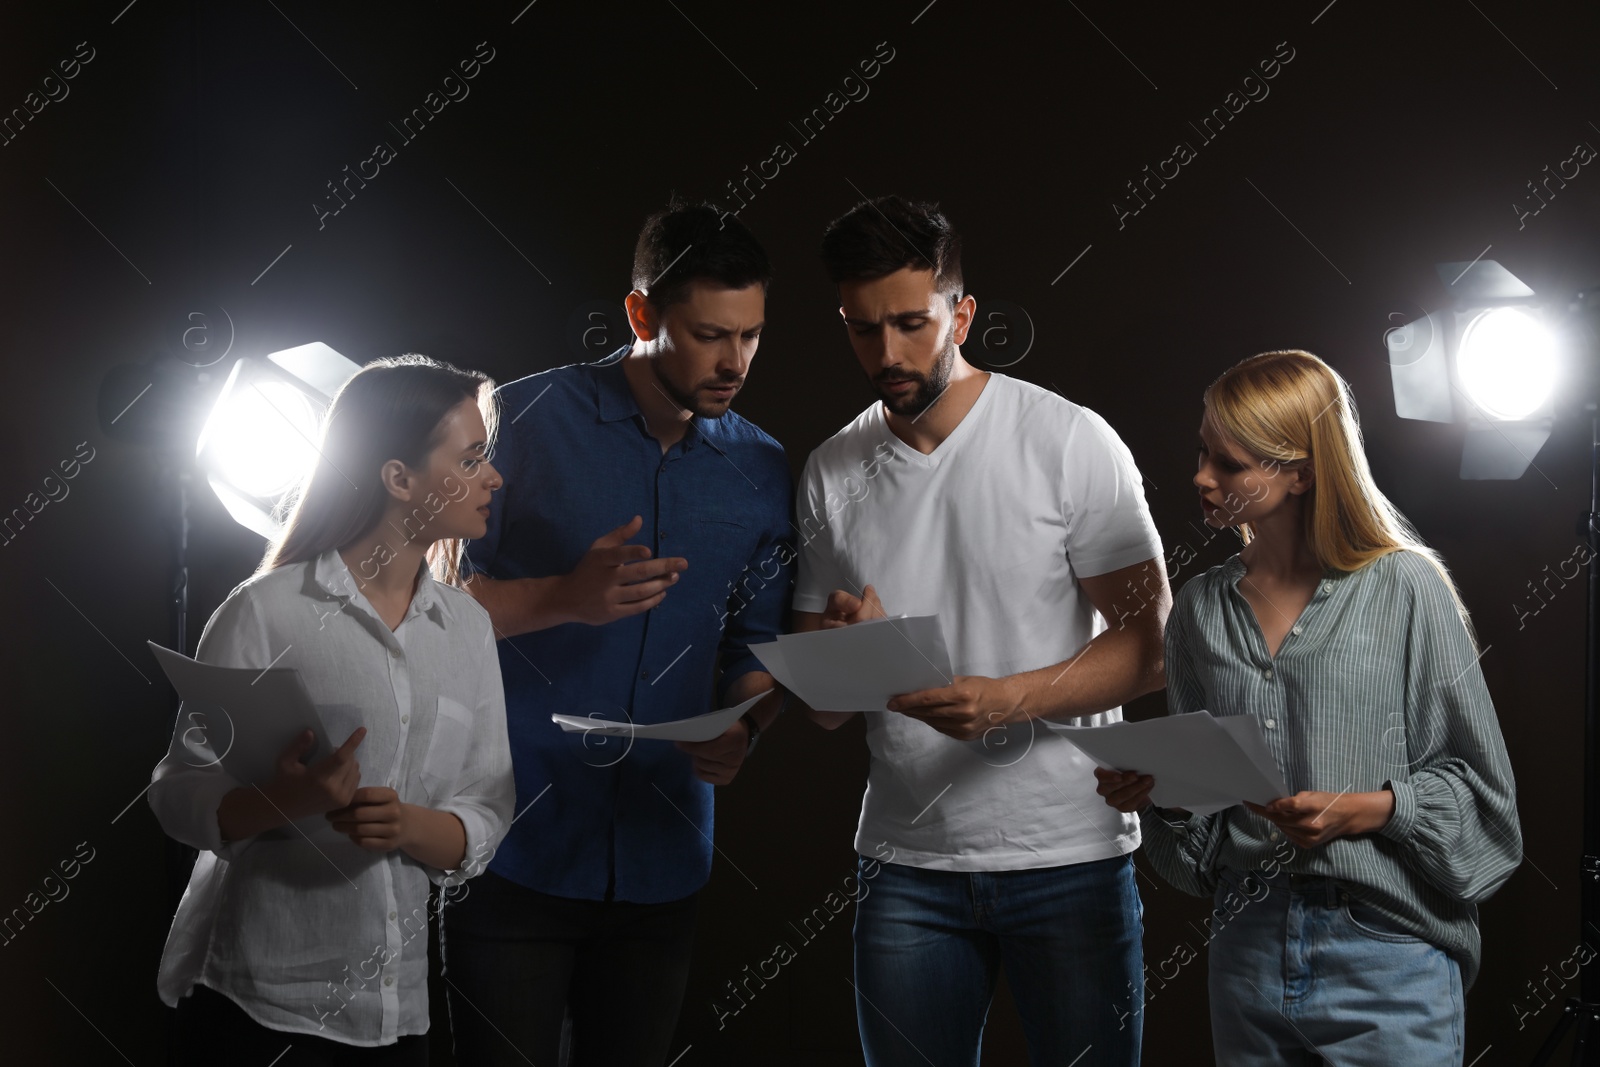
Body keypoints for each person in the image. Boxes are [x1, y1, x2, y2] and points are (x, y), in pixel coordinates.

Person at [795, 195, 1169, 1067]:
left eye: (911, 324)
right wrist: (855, 653)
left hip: (1067, 852)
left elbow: (1151, 645)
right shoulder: (828, 470)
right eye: (861, 329)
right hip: (906, 865)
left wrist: (1006, 700)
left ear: (961, 313)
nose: (886, 354)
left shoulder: (1069, 439)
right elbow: (818, 708)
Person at [440, 200, 792, 1067]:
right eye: (710, 334)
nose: (734, 362)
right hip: (506, 845)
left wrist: (745, 725)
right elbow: (421, 608)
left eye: (751, 335)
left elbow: (756, 648)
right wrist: (563, 595)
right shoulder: (515, 422)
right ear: (640, 315)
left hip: (663, 859)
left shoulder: (762, 466)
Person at [1096, 349, 1522, 1065]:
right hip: (1246, 951)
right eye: (1203, 452)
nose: (1201, 477)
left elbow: (1487, 807)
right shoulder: (1199, 610)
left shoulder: (1405, 589)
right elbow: (1197, 854)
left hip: (1388, 952)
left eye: (1229, 464)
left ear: (1301, 471)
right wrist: (1161, 797)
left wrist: (1371, 808)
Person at [150, 355, 517, 1065]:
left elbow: (489, 806)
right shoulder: (265, 611)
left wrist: (411, 824)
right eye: (471, 459)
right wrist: (280, 800)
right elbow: (177, 792)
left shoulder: (467, 629)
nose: (492, 477)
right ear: (398, 477)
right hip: (258, 1008)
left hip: (398, 1013)